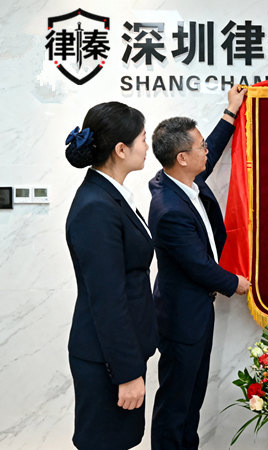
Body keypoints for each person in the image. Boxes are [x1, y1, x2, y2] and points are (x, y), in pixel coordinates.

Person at [149, 85, 251, 450]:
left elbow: (215, 148)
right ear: (182, 157)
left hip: (195, 311)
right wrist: (236, 283)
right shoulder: (169, 209)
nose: (207, 150)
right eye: (200, 147)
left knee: (191, 399)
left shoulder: (185, 183)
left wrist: (231, 112)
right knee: (176, 402)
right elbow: (197, 264)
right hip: (181, 316)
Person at [64, 102, 157, 450]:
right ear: (121, 149)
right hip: (107, 359)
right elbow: (107, 299)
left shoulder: (110, 196)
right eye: (143, 138)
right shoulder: (96, 206)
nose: (146, 146)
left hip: (119, 353)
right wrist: (127, 373)